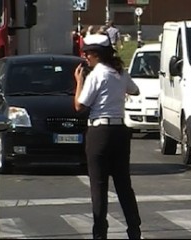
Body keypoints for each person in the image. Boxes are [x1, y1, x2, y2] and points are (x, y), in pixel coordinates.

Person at [74, 34, 142, 239]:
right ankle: (134, 228)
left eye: (88, 53)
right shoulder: (119, 72)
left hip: (99, 131)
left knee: (99, 184)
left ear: (96, 54)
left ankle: (100, 233)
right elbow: (135, 90)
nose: (85, 57)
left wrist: (79, 81)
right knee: (123, 183)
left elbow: (79, 105)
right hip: (120, 131)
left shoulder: (96, 75)